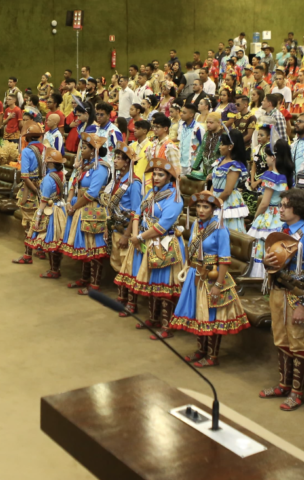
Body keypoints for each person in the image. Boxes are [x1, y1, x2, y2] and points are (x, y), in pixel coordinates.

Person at [259, 188, 304, 411]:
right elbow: (272, 263)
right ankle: (284, 385)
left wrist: (303, 305)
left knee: (297, 341)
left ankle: (297, 392)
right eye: (281, 205)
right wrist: (266, 261)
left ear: (298, 209)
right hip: (277, 293)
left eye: (285, 205)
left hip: (296, 298)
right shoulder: (281, 231)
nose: (281, 209)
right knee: (281, 338)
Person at [170, 191, 251, 367]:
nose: (200, 210)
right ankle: (201, 350)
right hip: (195, 274)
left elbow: (225, 260)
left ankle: (212, 356)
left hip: (212, 277)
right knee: (199, 313)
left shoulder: (220, 229)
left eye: (205, 207)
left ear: (214, 209)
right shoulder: (196, 225)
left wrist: (219, 285)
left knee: (212, 316)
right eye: (198, 206)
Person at [128, 157, 186, 339]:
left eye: (161, 174)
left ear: (170, 178)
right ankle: (153, 318)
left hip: (166, 244)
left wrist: (138, 237)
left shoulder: (175, 198)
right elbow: (137, 213)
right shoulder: (150, 193)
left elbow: (162, 226)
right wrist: (136, 236)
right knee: (152, 283)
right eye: (155, 174)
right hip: (147, 241)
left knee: (165, 287)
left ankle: (167, 326)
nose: (156, 177)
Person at [61, 133, 111, 293]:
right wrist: (69, 201)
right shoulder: (84, 165)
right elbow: (74, 183)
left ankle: (94, 285)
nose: (80, 150)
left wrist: (74, 207)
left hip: (93, 210)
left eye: (83, 148)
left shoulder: (101, 168)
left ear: (93, 151)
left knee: (94, 248)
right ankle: (84, 279)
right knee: (84, 246)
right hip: (79, 206)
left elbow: (92, 193)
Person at [105, 144, 143, 311]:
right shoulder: (120, 180)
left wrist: (127, 235)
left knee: (128, 267)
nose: (115, 161)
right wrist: (109, 226)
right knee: (118, 263)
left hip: (126, 229)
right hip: (116, 226)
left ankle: (131, 302)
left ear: (127, 162)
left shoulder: (134, 183)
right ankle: (121, 297)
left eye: (119, 158)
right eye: (115, 157)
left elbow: (136, 213)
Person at [249, 139, 294, 278]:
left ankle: (260, 278)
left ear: (273, 157)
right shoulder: (285, 175)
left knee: (262, 246)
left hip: (269, 214)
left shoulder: (271, 177)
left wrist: (255, 216)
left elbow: (264, 202)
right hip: (280, 215)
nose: (266, 159)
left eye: (267, 156)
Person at [29, 148, 69, 279]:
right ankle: (55, 268)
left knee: (51, 240)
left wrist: (38, 215)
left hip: (50, 211)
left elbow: (44, 199)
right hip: (60, 209)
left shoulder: (48, 179)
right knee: (57, 240)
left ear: (51, 164)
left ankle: (54, 269)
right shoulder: (61, 175)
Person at [11, 124, 46, 263]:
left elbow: (25, 176)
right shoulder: (47, 149)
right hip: (45, 188)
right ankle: (41, 250)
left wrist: (35, 191)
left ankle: (27, 255)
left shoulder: (26, 151)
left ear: (28, 138)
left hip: (31, 191)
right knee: (42, 220)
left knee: (29, 223)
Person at [210, 129, 252, 234]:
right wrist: (209, 198)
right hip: (215, 197)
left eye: (222, 144)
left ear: (230, 147)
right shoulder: (220, 161)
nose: (219, 147)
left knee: (226, 231)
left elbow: (227, 191)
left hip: (226, 201)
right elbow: (214, 184)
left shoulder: (234, 166)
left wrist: (214, 203)